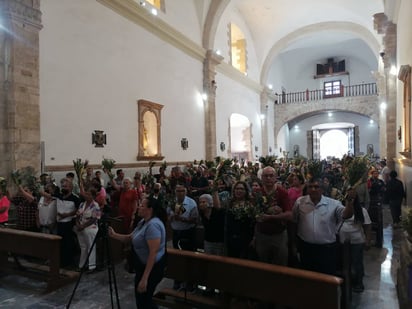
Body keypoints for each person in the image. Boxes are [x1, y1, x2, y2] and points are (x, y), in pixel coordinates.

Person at [108, 197, 167, 309]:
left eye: (142, 206)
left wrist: (145, 278)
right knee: (141, 298)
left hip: (152, 269)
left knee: (145, 300)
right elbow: (130, 238)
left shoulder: (153, 225)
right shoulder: (143, 222)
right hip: (142, 266)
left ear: (150, 209)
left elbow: (153, 253)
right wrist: (114, 235)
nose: (138, 207)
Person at [292, 177, 355, 275]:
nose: (313, 189)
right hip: (306, 248)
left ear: (322, 189)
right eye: (310, 187)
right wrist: (294, 244)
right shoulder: (300, 202)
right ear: (307, 188)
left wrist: (350, 201)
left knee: (326, 276)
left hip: (326, 249)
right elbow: (295, 221)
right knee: (307, 276)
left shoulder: (333, 204)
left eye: (316, 187)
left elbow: (347, 215)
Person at [254, 167, 292, 265]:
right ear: (261, 178)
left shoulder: (282, 192)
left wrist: (272, 217)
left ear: (276, 177)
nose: (268, 178)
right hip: (261, 234)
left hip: (278, 235)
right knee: (262, 263)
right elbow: (254, 211)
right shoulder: (258, 193)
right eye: (266, 176)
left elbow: (289, 215)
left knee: (280, 263)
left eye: (271, 176)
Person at [167, 183, 198, 290]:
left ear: (186, 192)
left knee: (189, 257)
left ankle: (189, 281)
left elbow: (195, 220)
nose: (180, 193)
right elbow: (167, 217)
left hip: (188, 232)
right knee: (177, 257)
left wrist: (183, 219)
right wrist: (171, 217)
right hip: (176, 232)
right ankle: (178, 280)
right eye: (178, 191)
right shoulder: (172, 202)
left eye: (182, 191)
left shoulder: (191, 202)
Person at [338, 195, 371, 293]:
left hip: (356, 240)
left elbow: (368, 226)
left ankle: (358, 282)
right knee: (343, 262)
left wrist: (368, 240)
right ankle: (346, 281)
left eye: (352, 199)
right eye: (348, 198)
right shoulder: (339, 209)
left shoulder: (361, 210)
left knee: (356, 262)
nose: (350, 200)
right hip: (341, 241)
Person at [55, 177, 81, 267]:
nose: (63, 188)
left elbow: (78, 210)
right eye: (62, 186)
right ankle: (60, 262)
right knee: (60, 243)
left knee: (68, 244)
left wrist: (67, 214)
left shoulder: (75, 198)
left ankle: (69, 263)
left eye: (65, 186)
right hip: (59, 224)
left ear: (71, 187)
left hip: (69, 224)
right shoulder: (58, 195)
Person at [74, 187, 101, 272]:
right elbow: (77, 215)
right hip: (81, 227)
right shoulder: (82, 204)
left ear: (93, 196)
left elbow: (95, 218)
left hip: (91, 227)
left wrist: (84, 226)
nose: (86, 195)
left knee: (90, 246)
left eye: (88, 194)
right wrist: (78, 224)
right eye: (86, 194)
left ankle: (91, 266)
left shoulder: (95, 205)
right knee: (83, 247)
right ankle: (81, 265)